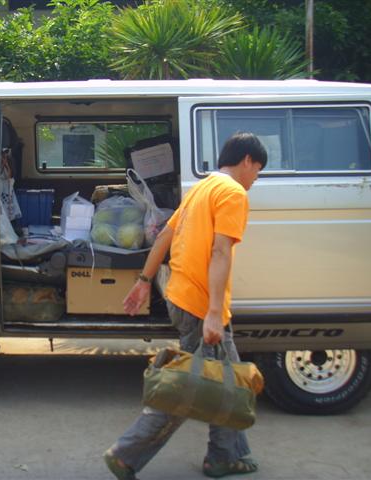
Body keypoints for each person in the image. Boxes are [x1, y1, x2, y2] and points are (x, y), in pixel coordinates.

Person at [103, 132, 268, 479]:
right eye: (258, 169)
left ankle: (225, 455)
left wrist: (144, 281)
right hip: (200, 305)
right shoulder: (232, 193)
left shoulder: (202, 188)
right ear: (247, 160)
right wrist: (213, 314)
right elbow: (220, 252)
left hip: (180, 296)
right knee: (186, 387)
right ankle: (126, 454)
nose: (256, 178)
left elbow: (165, 235)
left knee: (227, 382)